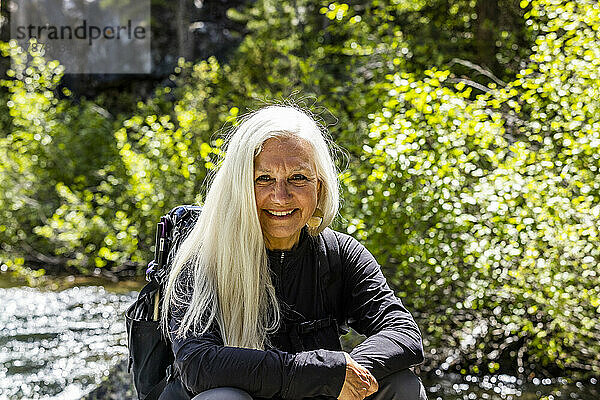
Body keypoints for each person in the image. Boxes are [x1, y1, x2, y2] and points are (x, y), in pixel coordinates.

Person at [159, 105, 427, 400]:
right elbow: (198, 365)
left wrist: (348, 374)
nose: (281, 196)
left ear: (320, 186)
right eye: (263, 179)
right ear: (239, 187)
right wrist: (324, 372)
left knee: (402, 385)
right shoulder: (202, 259)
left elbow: (403, 333)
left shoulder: (342, 254)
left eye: (298, 177)